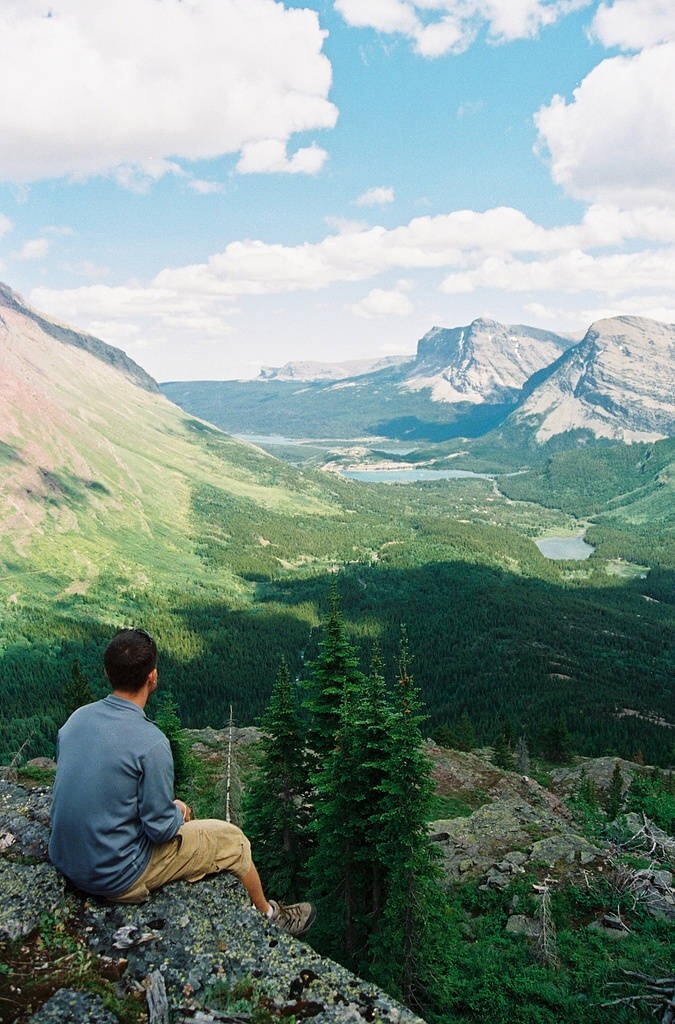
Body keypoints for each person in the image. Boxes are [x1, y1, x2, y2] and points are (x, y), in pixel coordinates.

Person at [48, 628, 315, 937]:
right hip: (115, 876)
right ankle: (271, 917)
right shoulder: (151, 743)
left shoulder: (76, 720)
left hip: (64, 858)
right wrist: (178, 810)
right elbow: (161, 830)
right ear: (153, 677)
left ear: (107, 672)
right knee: (234, 840)